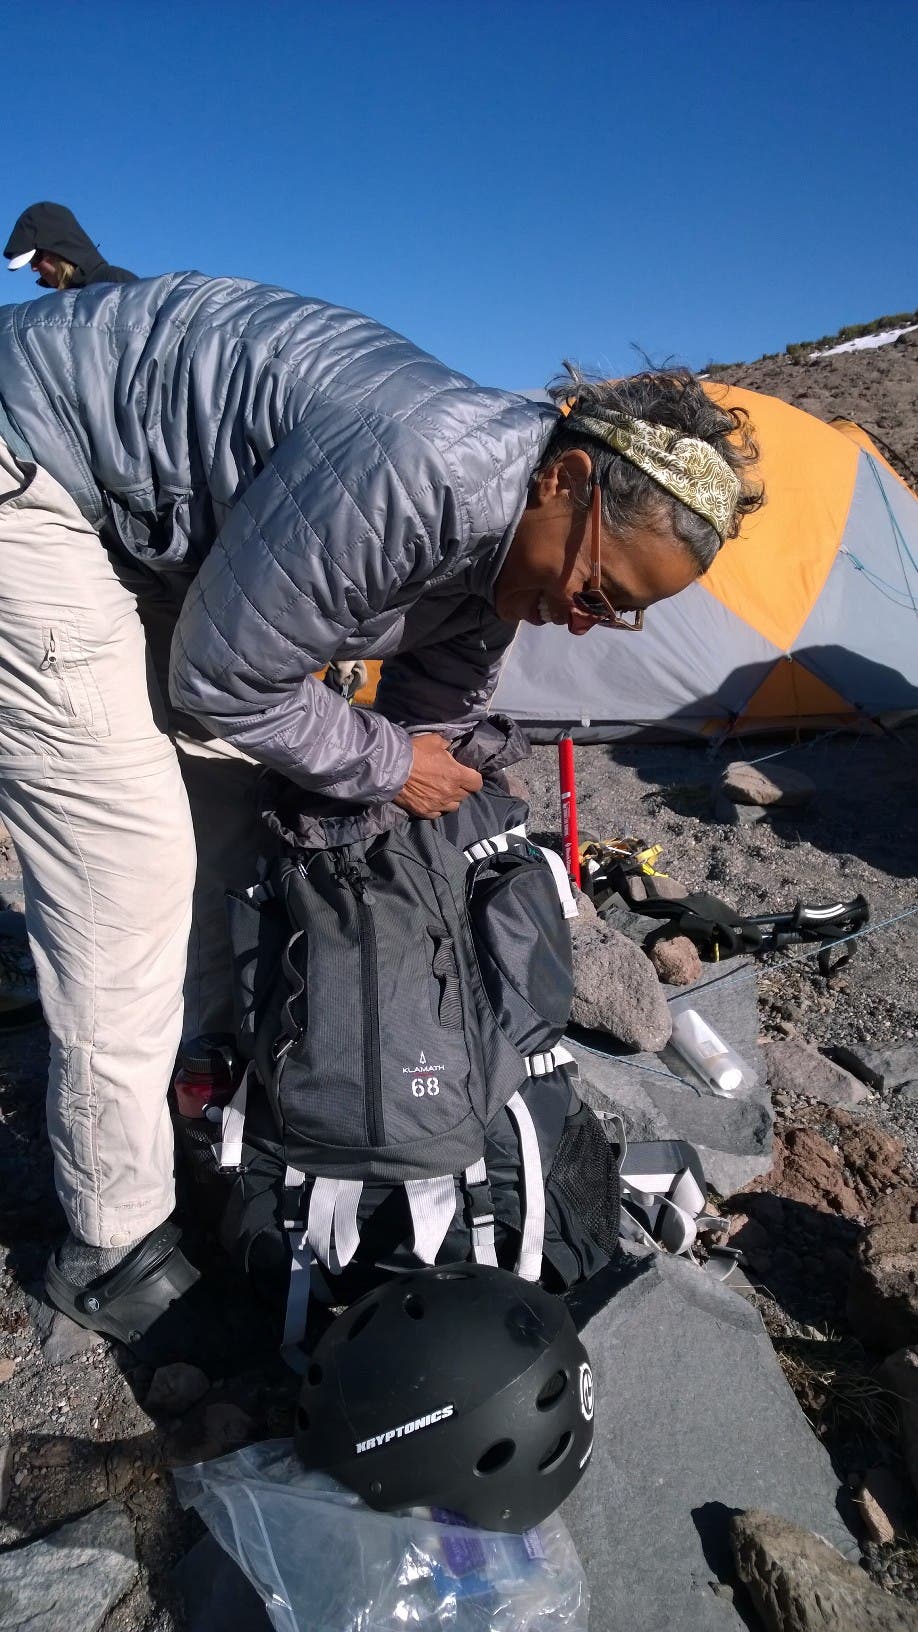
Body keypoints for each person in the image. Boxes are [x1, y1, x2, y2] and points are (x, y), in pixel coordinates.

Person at [0, 273, 762, 1356]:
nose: (588, 622)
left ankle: (200, 1092)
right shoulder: (423, 474)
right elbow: (222, 680)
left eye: (624, 615)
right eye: (598, 589)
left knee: (231, 816)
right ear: (566, 478)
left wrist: (416, 780)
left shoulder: (507, 539)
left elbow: (435, 705)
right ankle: (111, 1244)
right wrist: (392, 765)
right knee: (130, 866)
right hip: (33, 464)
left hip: (153, 525)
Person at [4, 201, 136, 290]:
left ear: (58, 249)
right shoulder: (57, 305)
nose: (33, 268)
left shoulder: (119, 284)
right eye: (30, 262)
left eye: (35, 258)